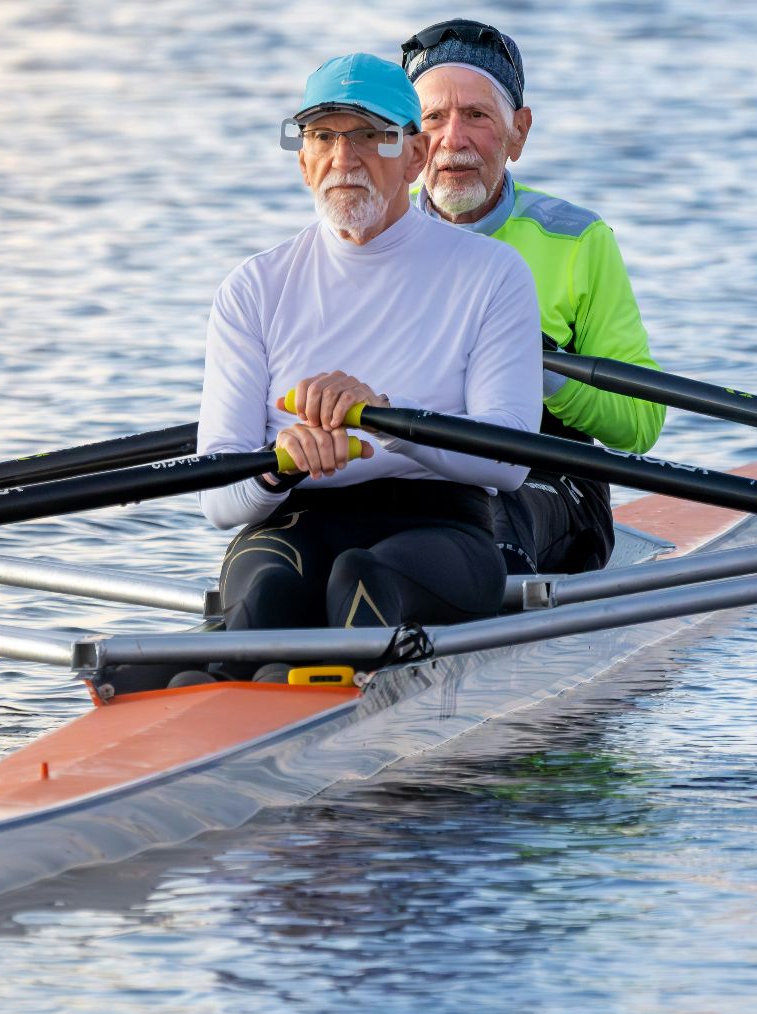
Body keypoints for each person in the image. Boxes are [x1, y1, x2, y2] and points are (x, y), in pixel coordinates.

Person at [193, 53, 542, 679]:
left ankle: (290, 698)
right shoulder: (253, 288)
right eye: (323, 137)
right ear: (303, 161)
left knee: (359, 577)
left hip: (438, 524)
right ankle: (211, 698)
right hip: (294, 520)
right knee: (268, 590)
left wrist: (383, 419)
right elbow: (219, 498)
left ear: (415, 157)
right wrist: (279, 466)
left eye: (370, 136)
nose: (344, 158)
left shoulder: (491, 274)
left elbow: (508, 461)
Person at [401, 19, 666, 575]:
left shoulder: (577, 239)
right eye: (434, 118)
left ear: (518, 132)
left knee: (496, 509)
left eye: (477, 116)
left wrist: (543, 366)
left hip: (548, 475)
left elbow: (640, 424)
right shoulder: (372, 238)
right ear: (407, 138)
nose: (453, 140)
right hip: (415, 470)